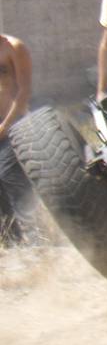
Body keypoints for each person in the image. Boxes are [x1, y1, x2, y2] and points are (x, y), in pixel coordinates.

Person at [0, 33, 37, 241]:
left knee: (10, 175)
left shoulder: (13, 47)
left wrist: (5, 126)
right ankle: (10, 239)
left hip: (14, 124)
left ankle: (35, 235)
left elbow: (24, 91)